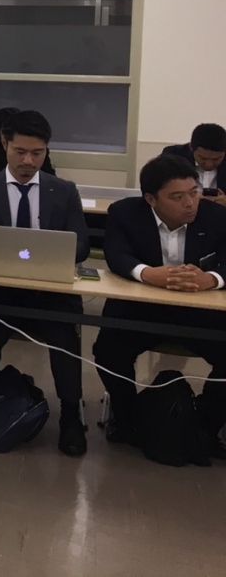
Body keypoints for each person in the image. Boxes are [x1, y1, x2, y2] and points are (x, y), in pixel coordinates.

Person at [0, 109, 90, 457]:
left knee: (65, 341)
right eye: (20, 151)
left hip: (50, 292)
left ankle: (71, 414)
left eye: (37, 153)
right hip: (1, 291)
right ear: (4, 143)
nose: (28, 161)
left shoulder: (63, 191)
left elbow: (81, 244)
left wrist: (57, 250)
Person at [93, 154, 226, 455]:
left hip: (201, 312)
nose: (190, 203)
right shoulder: (124, 213)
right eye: (177, 197)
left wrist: (211, 279)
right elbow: (116, 254)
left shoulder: (216, 216)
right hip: (142, 309)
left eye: (194, 192)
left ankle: (204, 425)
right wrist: (147, 273)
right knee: (108, 350)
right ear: (151, 199)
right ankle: (127, 419)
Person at [162, 123, 226, 203]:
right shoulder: (173, 156)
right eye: (203, 158)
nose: (209, 164)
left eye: (216, 159)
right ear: (191, 147)